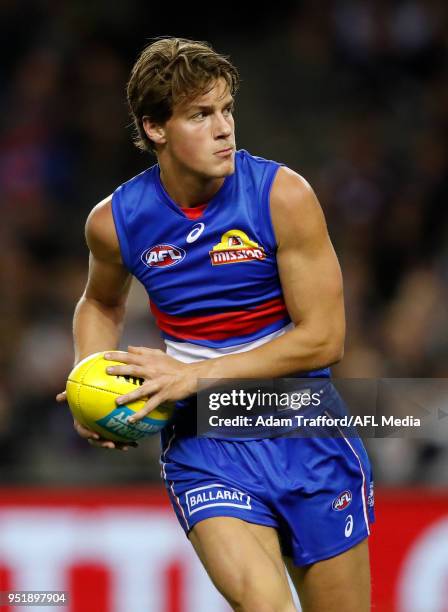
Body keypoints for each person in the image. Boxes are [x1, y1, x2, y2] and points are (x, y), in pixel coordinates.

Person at [57, 38, 374, 612]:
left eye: (226, 110)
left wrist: (194, 376)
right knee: (266, 606)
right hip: (205, 443)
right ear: (155, 128)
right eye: (201, 115)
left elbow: (324, 339)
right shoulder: (115, 221)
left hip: (304, 428)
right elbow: (99, 303)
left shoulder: (283, 196)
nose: (224, 128)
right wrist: (89, 379)